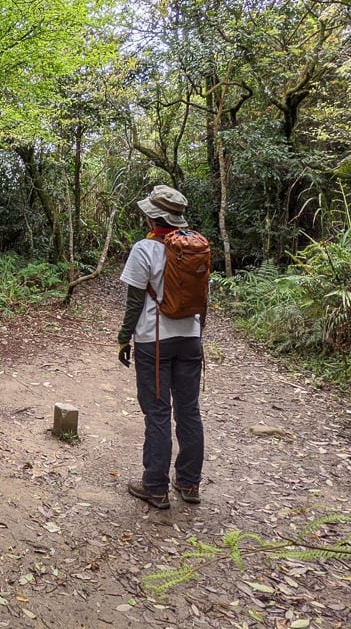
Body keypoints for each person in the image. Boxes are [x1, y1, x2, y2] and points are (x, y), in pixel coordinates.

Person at [116, 184, 205, 509]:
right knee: (189, 411)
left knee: (157, 413)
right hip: (190, 338)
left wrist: (124, 338)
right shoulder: (195, 246)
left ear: (152, 216)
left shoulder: (145, 249)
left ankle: (155, 487)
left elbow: (134, 301)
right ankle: (189, 483)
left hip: (154, 341)